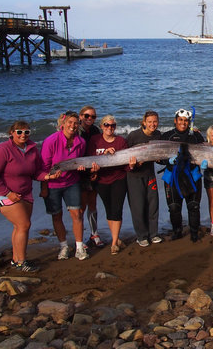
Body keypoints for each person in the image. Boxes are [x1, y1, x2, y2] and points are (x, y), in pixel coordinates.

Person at [0, 121, 58, 272]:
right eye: (19, 132)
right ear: (11, 133)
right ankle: (21, 262)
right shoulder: (2, 149)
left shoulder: (31, 149)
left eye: (26, 132)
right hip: (3, 194)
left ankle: (16, 260)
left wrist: (48, 177)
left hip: (25, 193)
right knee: (24, 225)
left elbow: (36, 172)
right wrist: (8, 193)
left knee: (19, 226)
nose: (23, 135)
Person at [41, 111, 93, 261]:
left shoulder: (81, 142)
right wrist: (44, 188)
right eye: (70, 122)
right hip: (52, 184)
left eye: (76, 123)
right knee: (57, 216)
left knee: (77, 214)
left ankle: (79, 247)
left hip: (72, 182)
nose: (73, 126)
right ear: (62, 124)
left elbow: (79, 161)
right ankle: (63, 246)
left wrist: (82, 167)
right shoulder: (51, 141)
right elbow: (44, 167)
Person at [87, 115, 135, 255]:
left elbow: (126, 165)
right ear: (101, 126)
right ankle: (116, 237)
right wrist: (103, 158)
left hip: (118, 179)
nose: (110, 128)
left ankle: (114, 243)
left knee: (117, 209)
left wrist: (131, 166)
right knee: (109, 210)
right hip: (101, 180)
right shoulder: (95, 140)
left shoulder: (121, 141)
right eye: (107, 125)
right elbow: (90, 158)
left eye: (113, 125)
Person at [160, 108, 205, 242]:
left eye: (186, 120)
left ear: (189, 122)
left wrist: (204, 163)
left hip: (192, 175)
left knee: (193, 206)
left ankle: (194, 233)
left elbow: (204, 154)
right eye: (180, 120)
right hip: (172, 176)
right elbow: (158, 156)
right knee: (174, 207)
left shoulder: (196, 136)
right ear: (175, 121)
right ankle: (177, 231)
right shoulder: (166, 136)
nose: (183, 123)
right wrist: (166, 160)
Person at [126, 110, 162, 247]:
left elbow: (161, 154)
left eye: (155, 121)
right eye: (150, 122)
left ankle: (153, 234)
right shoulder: (134, 136)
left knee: (153, 205)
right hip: (134, 176)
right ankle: (141, 236)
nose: (153, 124)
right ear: (144, 122)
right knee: (138, 207)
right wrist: (132, 165)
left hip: (150, 174)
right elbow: (124, 156)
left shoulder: (158, 135)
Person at [78, 105, 104, 248]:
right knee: (81, 206)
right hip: (79, 172)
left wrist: (94, 172)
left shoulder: (95, 131)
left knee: (92, 203)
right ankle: (80, 238)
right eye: (87, 116)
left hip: (93, 170)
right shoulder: (76, 131)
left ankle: (94, 233)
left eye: (93, 116)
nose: (90, 119)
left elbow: (98, 151)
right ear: (80, 116)